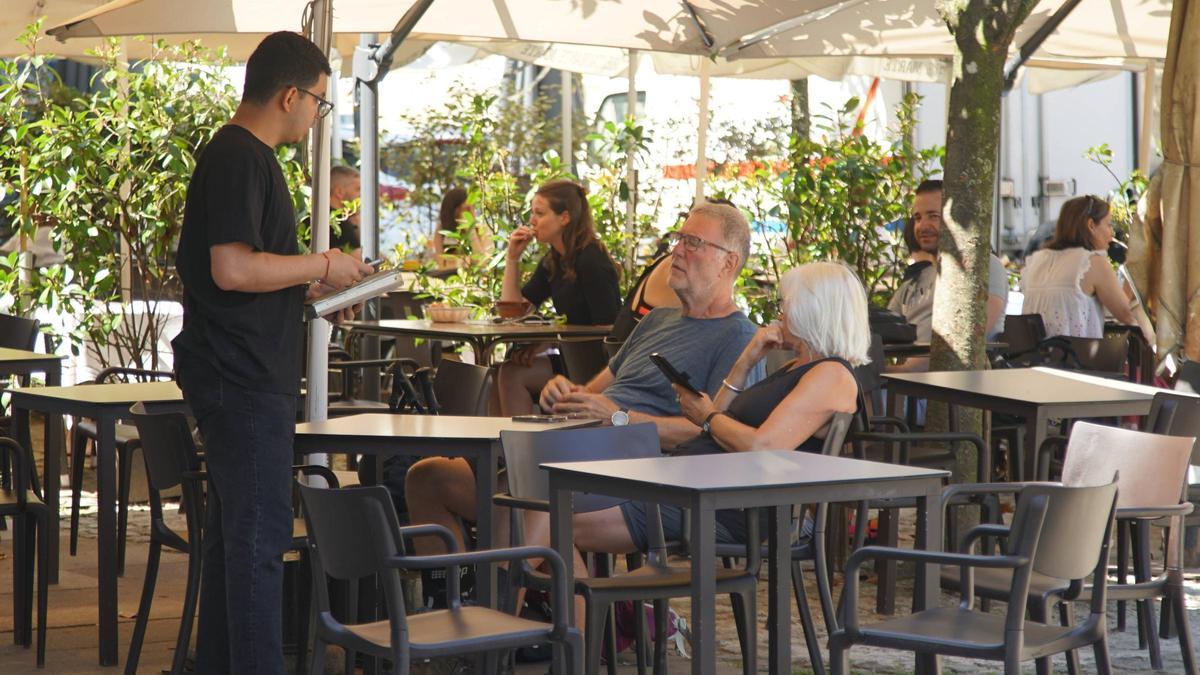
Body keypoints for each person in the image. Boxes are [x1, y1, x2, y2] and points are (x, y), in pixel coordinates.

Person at [404, 201, 760, 601]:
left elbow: (712, 434)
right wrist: (567, 394)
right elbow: (598, 390)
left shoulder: (738, 338)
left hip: (642, 481)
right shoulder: (658, 320)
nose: (676, 250)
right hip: (576, 457)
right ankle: (453, 599)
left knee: (535, 503)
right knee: (428, 476)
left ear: (728, 263)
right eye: (680, 238)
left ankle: (489, 635)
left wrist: (620, 419)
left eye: (693, 242)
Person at [171, 31, 374, 675]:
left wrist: (312, 281)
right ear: (291, 94)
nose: (318, 114)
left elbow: (248, 270)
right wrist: (322, 260)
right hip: (241, 376)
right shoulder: (238, 156)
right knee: (258, 545)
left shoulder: (246, 158)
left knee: (239, 543)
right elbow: (230, 269)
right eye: (320, 100)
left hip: (247, 369)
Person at [495, 180, 622, 416]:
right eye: (532, 213)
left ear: (564, 218)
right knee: (501, 372)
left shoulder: (591, 260)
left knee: (512, 375)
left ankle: (521, 448)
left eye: (539, 213)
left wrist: (547, 342)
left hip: (598, 367)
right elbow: (513, 312)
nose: (532, 221)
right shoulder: (554, 261)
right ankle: (506, 446)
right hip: (571, 358)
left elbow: (608, 329)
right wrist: (512, 259)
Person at [888, 179, 1009, 343]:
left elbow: (968, 339)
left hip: (955, 368)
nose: (922, 225)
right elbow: (883, 329)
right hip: (910, 367)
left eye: (933, 216)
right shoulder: (916, 280)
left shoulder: (984, 266)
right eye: (917, 218)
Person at [1020, 195, 1136, 338]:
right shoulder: (1091, 262)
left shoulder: (1037, 260)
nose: (1111, 234)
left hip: (1031, 358)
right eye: (1108, 225)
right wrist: (1135, 271)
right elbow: (1127, 315)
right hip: (1073, 356)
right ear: (1091, 225)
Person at [328, 165, 362, 257]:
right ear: (339, 192)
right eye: (358, 189)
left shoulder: (344, 220)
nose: (362, 194)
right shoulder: (338, 224)